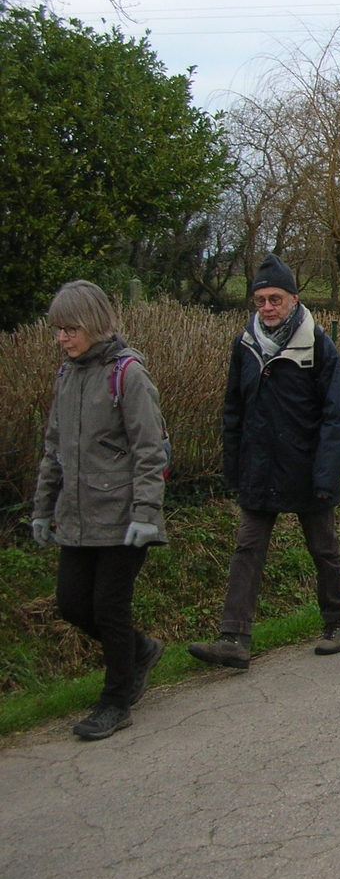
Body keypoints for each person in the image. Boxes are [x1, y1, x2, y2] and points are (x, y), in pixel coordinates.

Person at [189, 254, 340, 672]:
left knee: (323, 549)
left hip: (306, 466)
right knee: (247, 548)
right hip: (259, 467)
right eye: (260, 300)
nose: (267, 307)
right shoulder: (244, 345)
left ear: (293, 299)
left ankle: (337, 624)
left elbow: (337, 415)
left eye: (274, 298)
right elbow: (233, 409)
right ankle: (234, 638)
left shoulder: (317, 344)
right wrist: (234, 465)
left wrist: (325, 472)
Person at [31, 281, 168, 740]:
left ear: (93, 323)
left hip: (124, 516)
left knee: (110, 608)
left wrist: (147, 514)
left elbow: (151, 451)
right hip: (76, 516)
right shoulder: (66, 375)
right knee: (72, 605)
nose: (62, 338)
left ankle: (115, 702)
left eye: (70, 329)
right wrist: (42, 508)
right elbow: (54, 449)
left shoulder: (128, 375)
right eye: (57, 330)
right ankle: (142, 650)